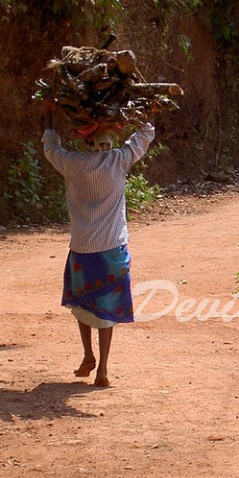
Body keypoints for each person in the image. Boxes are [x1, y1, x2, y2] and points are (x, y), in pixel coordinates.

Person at [42, 105, 155, 387]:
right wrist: (148, 110)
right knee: (107, 308)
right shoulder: (118, 160)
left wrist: (48, 119)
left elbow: (50, 147)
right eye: (103, 143)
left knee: (82, 302)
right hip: (112, 249)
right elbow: (145, 135)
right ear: (95, 143)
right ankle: (102, 368)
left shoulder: (72, 163)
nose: (105, 147)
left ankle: (88, 355)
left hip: (81, 248)